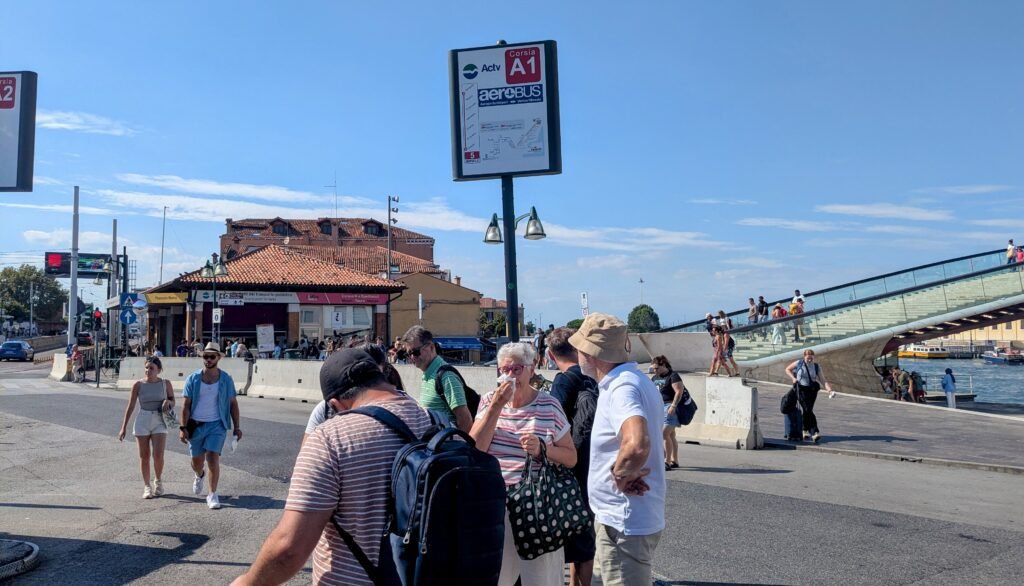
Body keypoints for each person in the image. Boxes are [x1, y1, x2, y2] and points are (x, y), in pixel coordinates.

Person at [233, 349, 434, 585]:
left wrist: (247, 582)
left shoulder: (331, 438)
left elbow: (289, 550)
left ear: (336, 404)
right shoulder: (436, 422)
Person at [568, 313, 664, 586]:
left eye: (579, 348)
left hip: (623, 523)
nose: (576, 354)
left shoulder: (622, 388)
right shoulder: (631, 380)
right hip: (618, 521)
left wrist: (620, 475)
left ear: (591, 354)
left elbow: (637, 443)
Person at [470, 341, 576, 586]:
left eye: (517, 369)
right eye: (504, 369)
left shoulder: (549, 405)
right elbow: (474, 450)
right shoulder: (488, 401)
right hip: (496, 503)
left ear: (532, 369)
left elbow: (571, 458)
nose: (510, 376)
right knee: (496, 576)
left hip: (538, 507)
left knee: (541, 579)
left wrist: (543, 450)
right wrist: (496, 406)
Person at [546, 327, 599, 586]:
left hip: (571, 469)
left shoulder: (563, 380)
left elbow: (550, 421)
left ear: (550, 354)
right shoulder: (593, 378)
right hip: (594, 464)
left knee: (567, 539)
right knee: (585, 540)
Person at [179, 342, 242, 510]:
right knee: (197, 462)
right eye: (206, 356)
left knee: (213, 457)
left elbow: (233, 404)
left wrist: (237, 427)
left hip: (217, 425)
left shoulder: (226, 379)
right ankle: (199, 474)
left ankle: (212, 494)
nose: (208, 359)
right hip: (196, 425)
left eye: (212, 356)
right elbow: (185, 405)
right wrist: (183, 428)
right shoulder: (193, 379)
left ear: (218, 358)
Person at [118, 356, 175, 499]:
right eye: (146, 367)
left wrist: (168, 402)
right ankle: (147, 486)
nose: (148, 370)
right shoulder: (138, 385)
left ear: (159, 370)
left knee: (158, 455)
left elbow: (173, 400)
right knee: (144, 456)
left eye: (152, 368)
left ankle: (158, 480)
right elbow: (131, 406)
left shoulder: (165, 383)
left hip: (160, 419)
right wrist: (123, 427)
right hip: (143, 419)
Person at [401, 325, 472, 432]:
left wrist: (458, 442)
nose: (412, 357)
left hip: (448, 441)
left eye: (415, 352)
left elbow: (465, 421)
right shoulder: (428, 375)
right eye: (408, 354)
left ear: (431, 347)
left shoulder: (446, 376)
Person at [785, 349, 832, 443]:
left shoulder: (816, 366)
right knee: (807, 409)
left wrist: (829, 390)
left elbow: (823, 379)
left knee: (808, 410)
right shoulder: (799, 363)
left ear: (813, 357)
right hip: (801, 389)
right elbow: (787, 369)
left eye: (811, 358)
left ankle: (805, 430)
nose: (810, 360)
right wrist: (793, 378)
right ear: (804, 357)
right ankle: (815, 432)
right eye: (808, 358)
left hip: (812, 391)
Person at [650, 355, 685, 471]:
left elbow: (679, 391)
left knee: (664, 434)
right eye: (653, 369)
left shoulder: (673, 376)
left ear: (664, 365)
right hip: (659, 408)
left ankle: (667, 461)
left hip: (669, 407)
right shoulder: (655, 378)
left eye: (656, 368)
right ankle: (675, 460)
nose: (655, 371)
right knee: (671, 435)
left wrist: (673, 406)